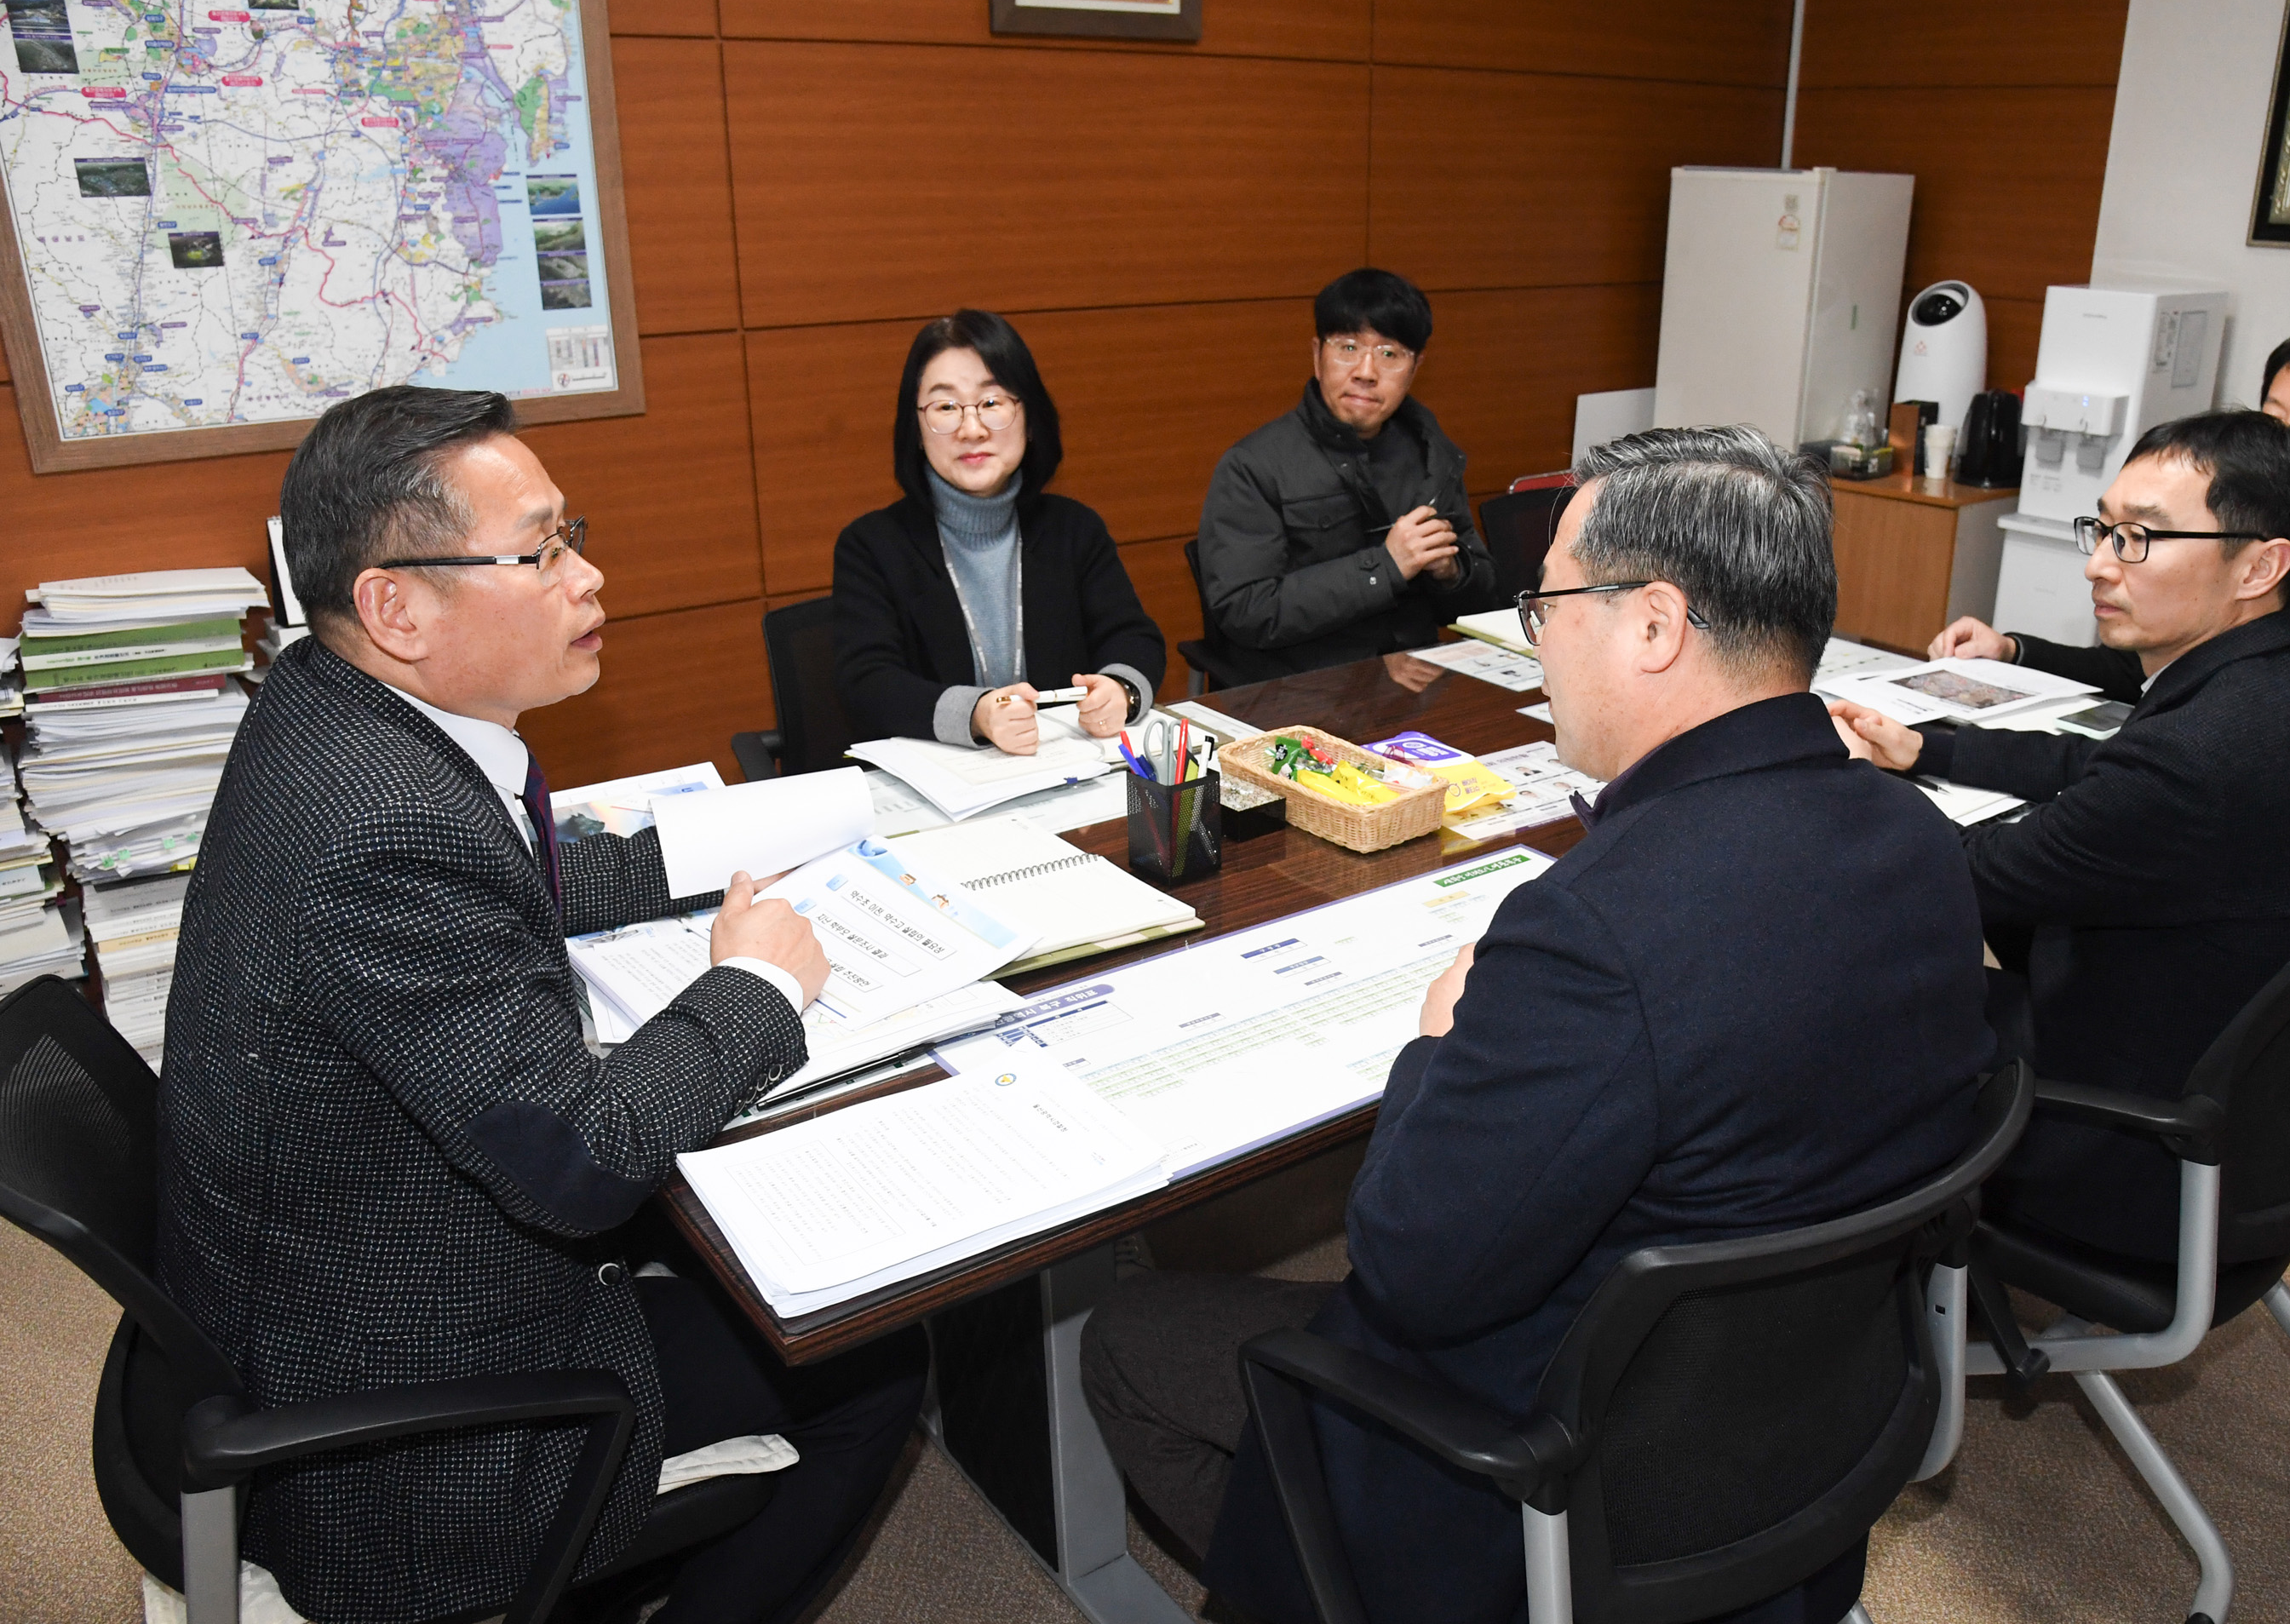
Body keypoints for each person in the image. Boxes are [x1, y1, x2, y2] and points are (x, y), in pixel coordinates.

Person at [1084, 426, 1997, 1624]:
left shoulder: (1596, 933)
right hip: (1812, 1437)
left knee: (1131, 1339)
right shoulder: (1922, 844)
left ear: (1656, 624)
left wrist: (1439, 1043)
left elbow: (1409, 1269)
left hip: (1574, 1481)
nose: (1540, 636)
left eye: (1550, 601)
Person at [159, 388, 927, 1624]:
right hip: (410, 1437)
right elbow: (578, 1159)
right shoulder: (382, 830)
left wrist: (695, 862)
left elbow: (500, 863)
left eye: (574, 534)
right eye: (544, 550)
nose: (590, 576)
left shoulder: (328, 705)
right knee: (875, 1357)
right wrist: (757, 983)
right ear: (395, 606)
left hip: (328, 1291)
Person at [1831, 410, 2290, 1262]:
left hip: (2131, 1148)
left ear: (2261, 564)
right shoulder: (2288, 682)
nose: (2099, 562)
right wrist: (1928, 746)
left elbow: (1954, 877)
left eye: (2141, 539)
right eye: (2105, 528)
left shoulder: (2203, 754)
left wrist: (1841, 785)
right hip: (2257, 1113)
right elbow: (2095, 767)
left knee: (1842, 1005)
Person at [1929, 319, 2290, 833]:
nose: (2288, 438)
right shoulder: (2224, 527)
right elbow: (2138, 667)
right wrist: (2013, 650)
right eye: (2274, 416)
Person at [833, 309, 1164, 754]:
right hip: (940, 793)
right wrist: (977, 714)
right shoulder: (871, 547)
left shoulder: (1074, 529)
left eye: (992, 403)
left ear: (1028, 418)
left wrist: (1120, 689)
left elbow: (1133, 637)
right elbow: (868, 683)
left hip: (1062, 776)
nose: (972, 429)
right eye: (946, 407)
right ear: (916, 428)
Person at [1196, 267, 1504, 680]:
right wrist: (1386, 566)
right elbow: (1246, 611)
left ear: (1415, 369)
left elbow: (1479, 602)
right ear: (1317, 356)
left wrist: (1452, 573)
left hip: (1416, 687)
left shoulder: (1431, 454)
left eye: (1389, 354)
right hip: (1301, 688)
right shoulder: (1254, 465)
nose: (1366, 371)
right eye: (1348, 347)